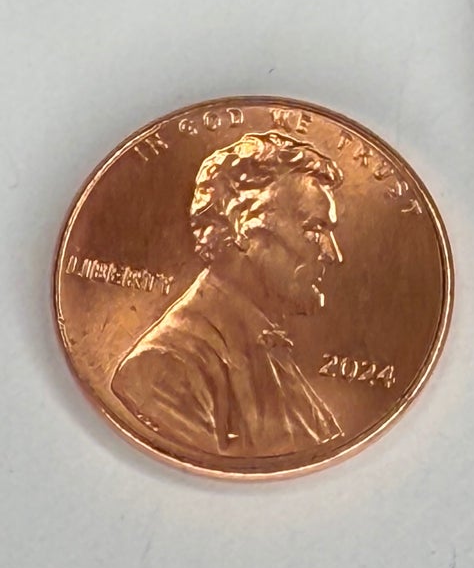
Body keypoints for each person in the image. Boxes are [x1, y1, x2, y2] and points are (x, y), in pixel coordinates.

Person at [112, 131, 346, 460]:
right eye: (315, 229)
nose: (333, 255)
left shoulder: (268, 350)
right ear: (241, 224)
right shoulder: (164, 367)